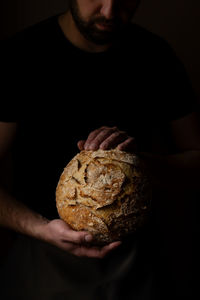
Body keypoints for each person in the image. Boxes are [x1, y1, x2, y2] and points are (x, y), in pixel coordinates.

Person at [0, 0, 199, 299]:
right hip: (42, 256)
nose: (109, 11)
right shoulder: (19, 56)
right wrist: (41, 229)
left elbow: (197, 158)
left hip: (136, 264)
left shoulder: (155, 56)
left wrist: (137, 163)